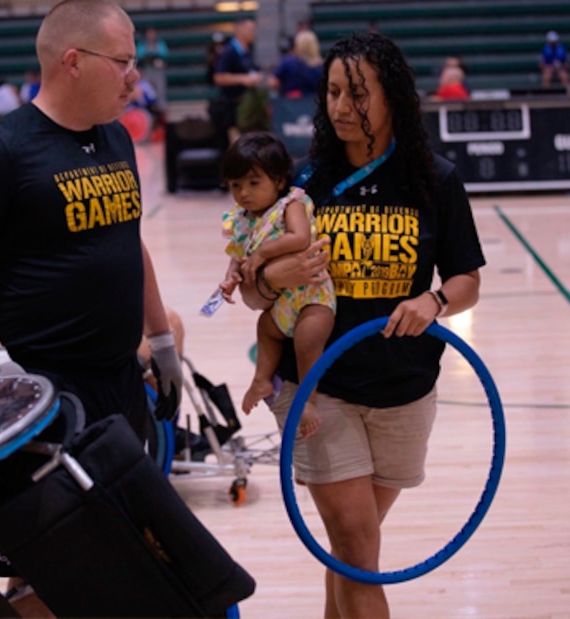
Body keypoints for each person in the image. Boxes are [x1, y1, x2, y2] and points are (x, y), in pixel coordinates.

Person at [0, 0, 183, 613]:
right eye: (123, 62)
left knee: (115, 555)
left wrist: (162, 340)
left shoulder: (116, 137)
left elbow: (128, 241)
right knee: (46, 572)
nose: (134, 77)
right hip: (40, 399)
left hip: (118, 387)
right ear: (73, 61)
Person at [239, 31, 485, 618]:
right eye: (332, 93)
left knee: (353, 549)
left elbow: (467, 280)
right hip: (320, 391)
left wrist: (434, 301)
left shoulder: (435, 179)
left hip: (405, 389)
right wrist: (275, 279)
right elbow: (251, 295)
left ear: (393, 97)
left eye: (357, 94)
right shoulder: (303, 186)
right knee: (354, 544)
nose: (342, 108)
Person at [217, 131, 336, 439]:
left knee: (308, 340)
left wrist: (263, 253)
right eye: (235, 185)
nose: (244, 193)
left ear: (280, 181)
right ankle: (261, 379)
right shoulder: (241, 220)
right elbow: (238, 256)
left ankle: (308, 401)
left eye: (254, 183)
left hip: (312, 296)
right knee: (266, 329)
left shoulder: (290, 205)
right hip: (281, 303)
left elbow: (300, 238)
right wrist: (231, 278)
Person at [211, 17, 263, 143]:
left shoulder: (248, 50)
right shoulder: (229, 51)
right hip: (233, 108)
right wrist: (243, 79)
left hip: (248, 109)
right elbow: (218, 77)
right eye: (250, 29)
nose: (253, 32)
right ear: (240, 30)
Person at [268, 29, 324, 98]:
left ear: (297, 45)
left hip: (290, 105)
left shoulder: (288, 61)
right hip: (314, 105)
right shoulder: (322, 66)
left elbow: (272, 82)